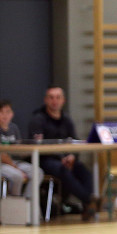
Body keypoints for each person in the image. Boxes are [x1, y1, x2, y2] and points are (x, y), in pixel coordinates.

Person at [28, 86, 98, 221]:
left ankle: (87, 205)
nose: (55, 101)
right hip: (45, 160)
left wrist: (72, 156)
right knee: (63, 170)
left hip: (66, 159)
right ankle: (89, 200)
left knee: (83, 171)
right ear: (45, 100)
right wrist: (61, 158)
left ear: (63, 100)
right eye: (51, 97)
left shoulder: (67, 120)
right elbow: (38, 145)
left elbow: (75, 141)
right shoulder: (38, 119)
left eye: (58, 97)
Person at [0, 99, 43, 196]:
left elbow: (19, 149)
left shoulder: (14, 128)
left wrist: (32, 145)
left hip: (14, 162)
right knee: (17, 176)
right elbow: (1, 156)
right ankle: (15, 201)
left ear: (12, 114)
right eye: (1, 112)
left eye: (8, 112)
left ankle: (27, 200)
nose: (5, 115)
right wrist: (16, 168)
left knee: (38, 172)